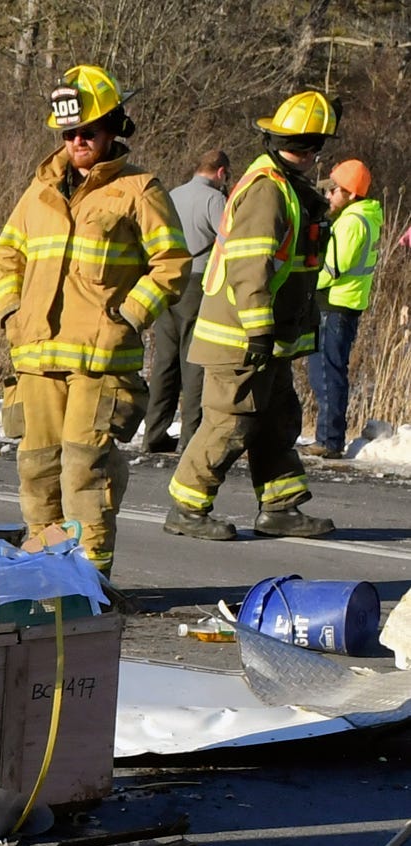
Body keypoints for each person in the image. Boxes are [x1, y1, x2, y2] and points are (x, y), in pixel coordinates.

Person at [0, 65, 189, 575]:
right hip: (36, 353)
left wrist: (128, 314)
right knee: (38, 469)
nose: (78, 141)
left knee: (84, 467)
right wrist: (11, 311)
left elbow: (172, 264)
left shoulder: (138, 190)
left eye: (89, 132)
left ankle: (90, 578)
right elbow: (7, 255)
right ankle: (44, 570)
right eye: (69, 133)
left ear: (114, 129)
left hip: (99, 360)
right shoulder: (38, 192)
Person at [166, 91, 336, 539]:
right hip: (241, 336)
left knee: (277, 417)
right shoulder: (268, 190)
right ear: (313, 146)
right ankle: (186, 508)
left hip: (266, 337)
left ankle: (280, 507)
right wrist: (259, 329)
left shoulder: (283, 185)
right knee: (231, 419)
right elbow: (250, 265)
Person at [143, 150, 230, 453]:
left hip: (167, 280)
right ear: (220, 172)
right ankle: (190, 437)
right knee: (194, 360)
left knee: (164, 361)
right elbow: (229, 241)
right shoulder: (214, 200)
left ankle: (153, 433)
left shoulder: (172, 195)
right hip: (198, 283)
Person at [309, 159, 382, 458]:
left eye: (335, 190)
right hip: (347, 304)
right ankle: (329, 437)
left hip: (335, 303)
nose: (328, 196)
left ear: (351, 194)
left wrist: (307, 283)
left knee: (326, 374)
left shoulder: (352, 222)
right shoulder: (366, 216)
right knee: (331, 371)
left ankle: (329, 440)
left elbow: (333, 267)